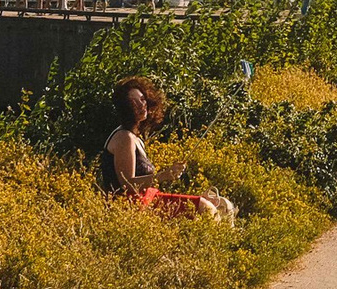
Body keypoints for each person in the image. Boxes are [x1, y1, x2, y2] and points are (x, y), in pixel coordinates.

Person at [101, 75, 236, 221]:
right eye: (135, 102)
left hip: (146, 200)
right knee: (205, 208)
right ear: (126, 107)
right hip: (132, 207)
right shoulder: (124, 138)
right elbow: (127, 185)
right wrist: (163, 176)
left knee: (222, 204)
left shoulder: (135, 138)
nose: (142, 104)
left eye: (143, 99)